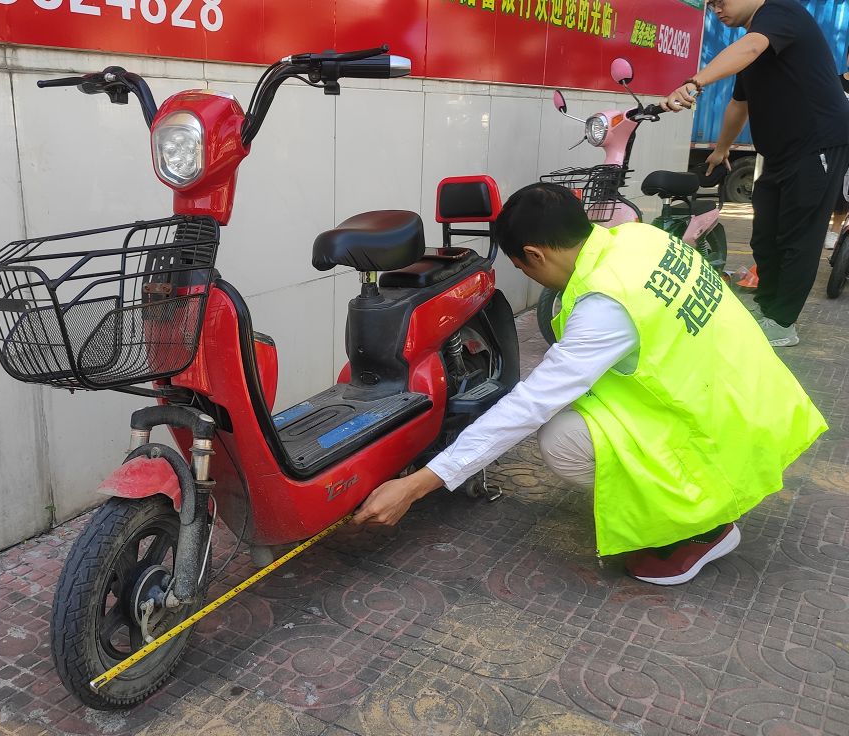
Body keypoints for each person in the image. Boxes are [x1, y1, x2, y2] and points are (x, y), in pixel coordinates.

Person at [351, 183, 826, 586]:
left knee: (560, 439)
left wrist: (415, 486)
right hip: (751, 397)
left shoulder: (606, 305)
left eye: (524, 268)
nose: (530, 276)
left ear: (534, 254)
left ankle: (700, 527)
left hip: (723, 431)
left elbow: (530, 404)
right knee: (574, 409)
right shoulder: (638, 239)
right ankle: (699, 500)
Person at [662, 0, 849, 347]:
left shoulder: (780, 13)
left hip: (817, 145)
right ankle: (767, 307)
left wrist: (694, 83)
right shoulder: (755, 43)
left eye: (721, 0)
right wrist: (721, 149)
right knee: (765, 234)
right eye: (710, 4)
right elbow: (739, 104)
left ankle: (782, 323)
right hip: (779, 153)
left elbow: (750, 47)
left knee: (798, 235)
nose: (716, 9)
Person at [825, 44, 849, 250]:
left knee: (845, 191)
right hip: (831, 145)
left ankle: (835, 230)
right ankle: (819, 226)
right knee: (825, 186)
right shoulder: (834, 82)